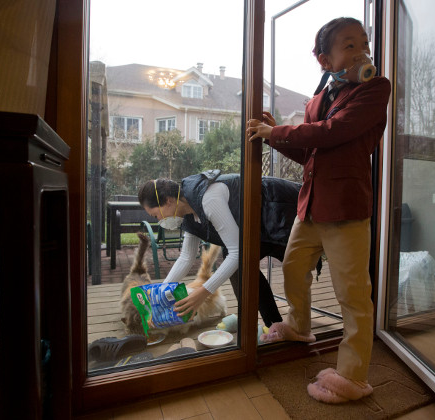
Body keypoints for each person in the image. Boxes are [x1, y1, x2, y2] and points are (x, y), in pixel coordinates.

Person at [246, 17, 391, 403]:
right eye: (349, 44)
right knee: (292, 267)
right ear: (325, 60)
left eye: (363, 42)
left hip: (345, 209)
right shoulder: (317, 100)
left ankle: (352, 376)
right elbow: (311, 150)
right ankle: (298, 325)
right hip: (310, 207)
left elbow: (334, 132)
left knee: (353, 295)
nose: (361, 49)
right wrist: (276, 134)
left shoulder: (375, 88)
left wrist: (275, 132)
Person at [138, 170, 304, 328]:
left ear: (168, 201)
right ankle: (272, 325)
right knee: (239, 268)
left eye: (155, 215)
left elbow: (237, 252)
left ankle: (292, 327)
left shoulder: (208, 199)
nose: (159, 220)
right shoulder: (187, 210)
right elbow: (186, 258)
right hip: (259, 226)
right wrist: (160, 292)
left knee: (296, 271)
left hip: (281, 209)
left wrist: (203, 292)